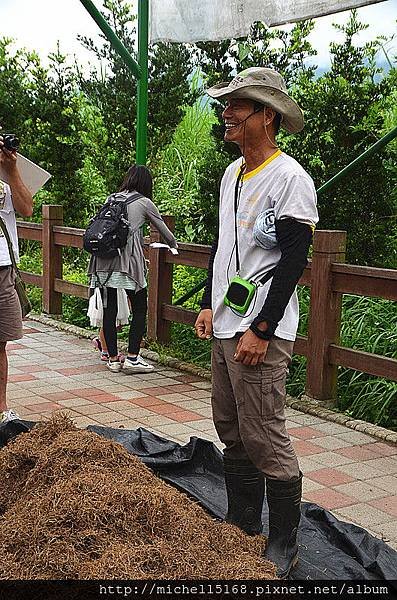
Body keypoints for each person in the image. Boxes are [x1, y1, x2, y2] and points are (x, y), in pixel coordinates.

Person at [194, 67, 318, 578]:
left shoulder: (289, 178)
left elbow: (294, 260)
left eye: (237, 107)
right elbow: (224, 249)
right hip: (227, 325)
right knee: (232, 428)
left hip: (258, 333)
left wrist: (262, 329)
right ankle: (242, 522)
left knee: (265, 433)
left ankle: (284, 540)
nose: (226, 114)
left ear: (267, 116)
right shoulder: (232, 174)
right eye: (226, 105)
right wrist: (208, 302)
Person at [88, 164, 177, 374]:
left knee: (110, 310)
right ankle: (133, 357)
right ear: (146, 183)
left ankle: (112, 359)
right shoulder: (145, 202)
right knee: (139, 308)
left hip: (102, 261)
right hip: (126, 265)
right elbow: (165, 232)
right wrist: (173, 245)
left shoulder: (111, 198)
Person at [0, 134, 33, 423]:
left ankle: (1, 409)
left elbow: (26, 208)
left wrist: (11, 171)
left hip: (3, 267)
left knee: (1, 341)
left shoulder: (8, 172)